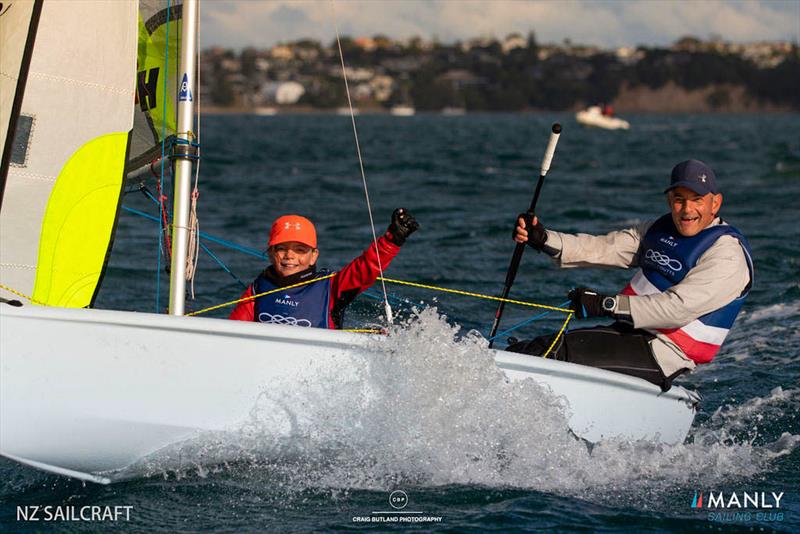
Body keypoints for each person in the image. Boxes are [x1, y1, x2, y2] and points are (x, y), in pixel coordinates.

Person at [509, 159, 753, 391]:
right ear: (670, 201)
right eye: (679, 200)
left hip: (664, 354)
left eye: (697, 200)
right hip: (630, 336)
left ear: (715, 203)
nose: (687, 210)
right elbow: (605, 248)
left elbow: (676, 309)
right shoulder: (659, 230)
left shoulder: (727, 255)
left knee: (551, 352)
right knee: (529, 349)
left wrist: (605, 305)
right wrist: (543, 238)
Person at [229, 208, 418, 328]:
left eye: (300, 250)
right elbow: (235, 331)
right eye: (281, 249)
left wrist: (393, 239)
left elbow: (365, 268)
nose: (290, 256)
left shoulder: (331, 286)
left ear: (314, 256)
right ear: (271, 253)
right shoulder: (258, 288)